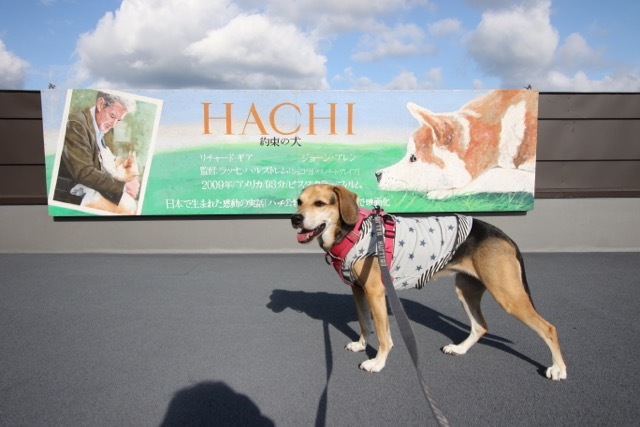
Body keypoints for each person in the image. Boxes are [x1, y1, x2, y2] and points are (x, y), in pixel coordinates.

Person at [54, 91, 140, 211]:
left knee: (132, 205)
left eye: (119, 120)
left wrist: (132, 178)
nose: (114, 124)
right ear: (100, 104)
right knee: (127, 208)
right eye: (112, 116)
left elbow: (108, 161)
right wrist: (123, 186)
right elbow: (84, 172)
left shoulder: (105, 127)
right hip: (70, 189)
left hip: (93, 185)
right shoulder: (75, 124)